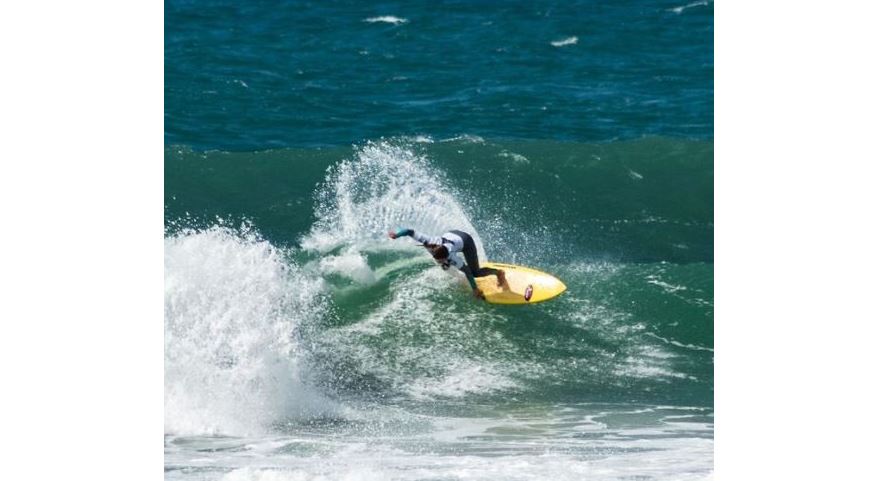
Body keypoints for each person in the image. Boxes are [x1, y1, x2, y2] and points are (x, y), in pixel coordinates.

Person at [388, 227, 507, 300]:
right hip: (453, 234)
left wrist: (475, 289)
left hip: (466, 241)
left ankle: (498, 273)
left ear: (446, 257)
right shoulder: (429, 242)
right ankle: (447, 266)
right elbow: (409, 231)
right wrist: (396, 235)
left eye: (441, 259)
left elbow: (468, 272)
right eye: (437, 259)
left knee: (475, 272)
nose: (437, 261)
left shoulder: (452, 256)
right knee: (445, 266)